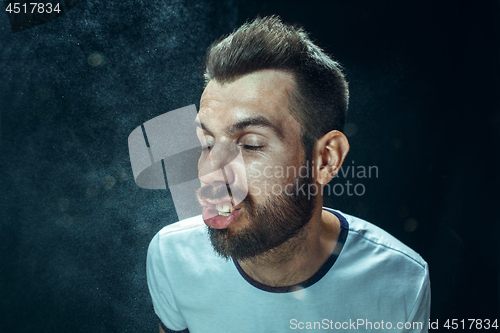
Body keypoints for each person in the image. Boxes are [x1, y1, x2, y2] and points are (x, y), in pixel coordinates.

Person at [146, 16, 430, 333]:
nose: (211, 171)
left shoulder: (400, 281)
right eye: (207, 143)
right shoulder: (172, 257)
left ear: (326, 159)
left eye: (251, 145)